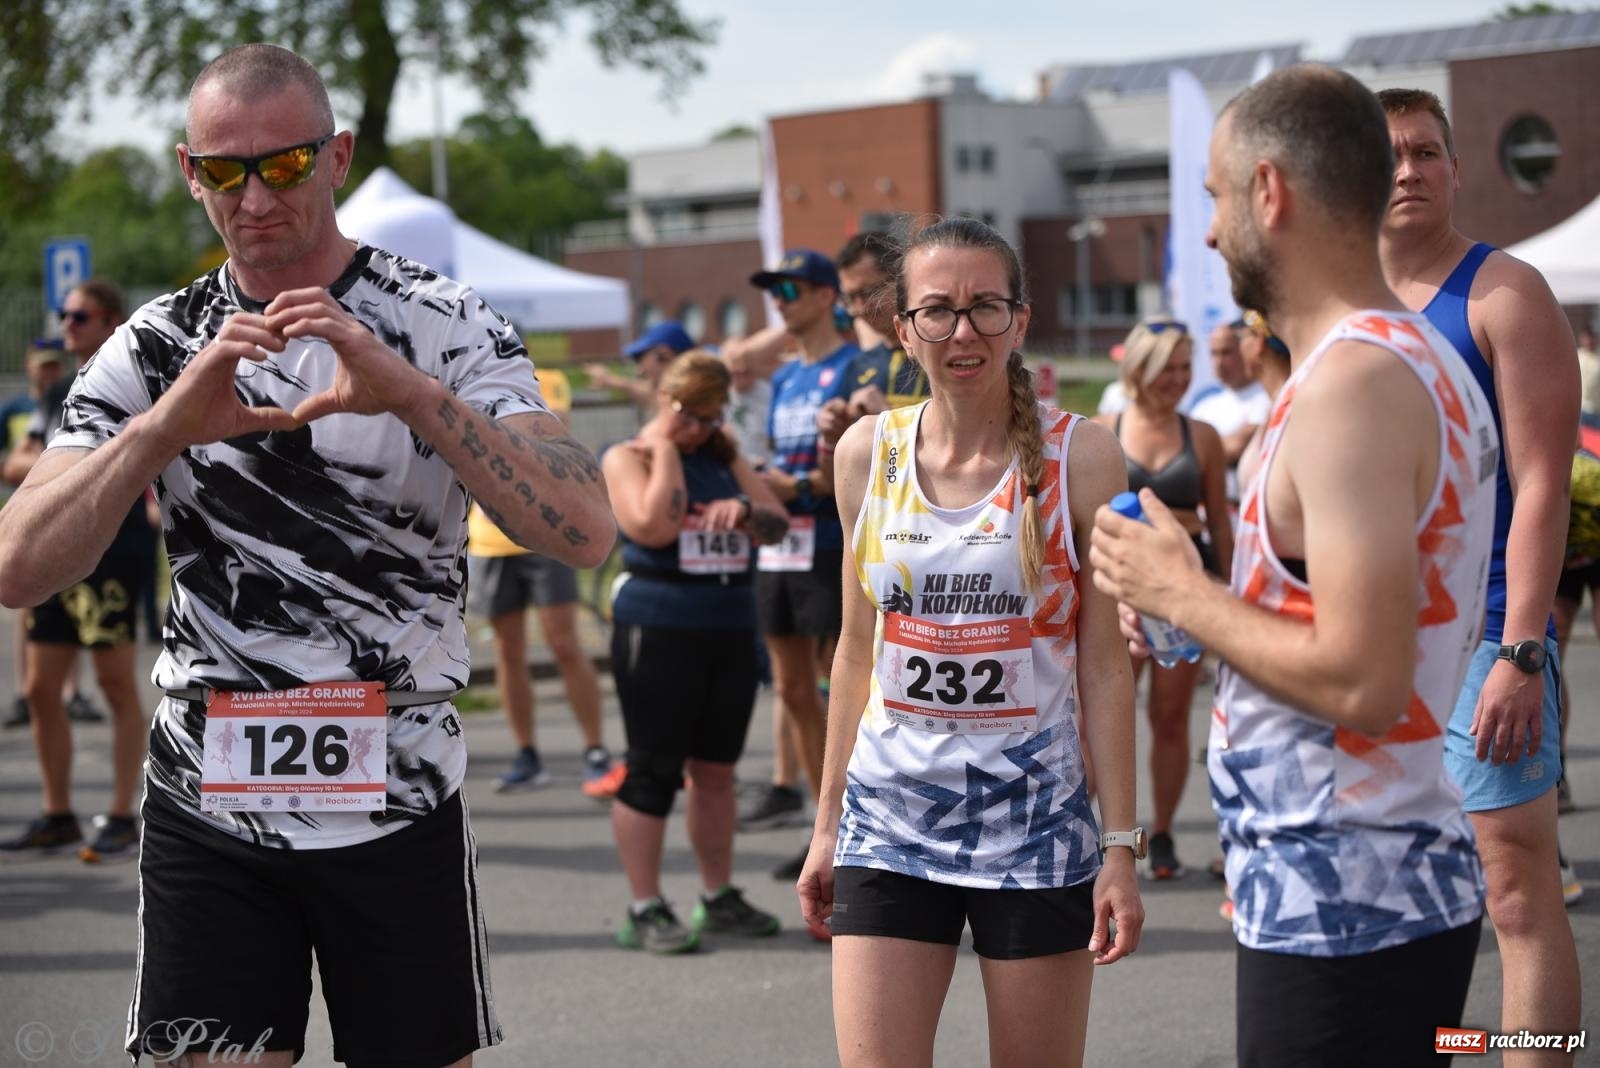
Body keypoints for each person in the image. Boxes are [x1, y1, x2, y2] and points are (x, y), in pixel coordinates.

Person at [0, 44, 613, 1067]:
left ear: (335, 157)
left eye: (282, 165)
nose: (253, 197)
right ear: (190, 173)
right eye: (223, 170)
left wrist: (412, 395)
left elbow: (585, 531)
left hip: (398, 785)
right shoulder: (155, 347)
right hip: (210, 790)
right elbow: (18, 567)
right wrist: (162, 430)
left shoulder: (443, 322)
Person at [1092, 66, 1498, 1065]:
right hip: (1358, 882)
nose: (1207, 233)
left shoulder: (1352, 383)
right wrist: (1199, 608)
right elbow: (1327, 615)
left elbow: (1363, 678)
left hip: (1348, 900)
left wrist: (1177, 589)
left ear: (1267, 192)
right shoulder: (1393, 357)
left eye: (1213, 200)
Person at [797, 217, 1141, 1067]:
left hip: (1036, 827)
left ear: (1021, 321)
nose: (964, 332)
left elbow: (1104, 665)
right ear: (902, 327)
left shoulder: (1082, 457)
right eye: (939, 311)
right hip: (890, 823)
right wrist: (826, 824)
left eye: (987, 307)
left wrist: (1124, 847)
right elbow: (853, 651)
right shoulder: (863, 456)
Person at [1377, 87, 1583, 1060]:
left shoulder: (1502, 292)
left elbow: (1541, 481)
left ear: (1456, 168)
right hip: (1368, 640)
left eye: (1424, 151)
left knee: (1512, 886)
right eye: (1388, 156)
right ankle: (1462, 1050)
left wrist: (1521, 648)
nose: (1407, 170)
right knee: (1399, 894)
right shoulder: (1337, 304)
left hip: (1484, 637)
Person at [601, 351, 792, 952]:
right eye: (693, 415)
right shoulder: (628, 456)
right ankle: (645, 905)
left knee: (716, 772)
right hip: (659, 622)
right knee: (653, 768)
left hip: (728, 622)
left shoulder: (721, 453)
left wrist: (748, 508)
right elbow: (653, 526)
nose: (703, 429)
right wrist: (663, 448)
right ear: (666, 401)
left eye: (713, 418)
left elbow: (778, 521)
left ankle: (717, 894)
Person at [0, 281, 158, 864]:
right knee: (41, 689)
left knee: (116, 684)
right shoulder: (63, 388)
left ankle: (122, 813)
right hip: (57, 552)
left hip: (116, 552)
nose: (67, 326)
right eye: (63, 316)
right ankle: (59, 812)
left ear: (111, 323)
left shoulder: (137, 376)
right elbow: (26, 458)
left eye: (79, 317)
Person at [1094, 316, 1232, 880]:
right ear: (1138, 369)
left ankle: (1167, 831)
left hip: (1181, 586)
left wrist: (1225, 592)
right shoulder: (1104, 428)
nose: (1177, 379)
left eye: (1184, 367)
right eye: (1166, 368)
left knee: (1171, 716)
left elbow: (1219, 523)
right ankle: (1102, 833)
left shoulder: (1201, 435)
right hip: (1117, 586)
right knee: (1100, 711)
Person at [747, 249, 859, 880]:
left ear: (825, 296)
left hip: (826, 541)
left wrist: (803, 486)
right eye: (774, 290)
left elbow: (849, 465)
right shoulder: (786, 378)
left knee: (839, 683)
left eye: (791, 288)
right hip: (778, 545)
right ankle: (826, 824)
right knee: (789, 688)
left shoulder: (851, 366)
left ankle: (855, 816)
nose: (781, 300)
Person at [467, 367, 621, 798]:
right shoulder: (461, 374)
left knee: (564, 643)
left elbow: (555, 431)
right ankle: (526, 753)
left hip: (543, 533)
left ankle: (595, 749)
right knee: (506, 649)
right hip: (489, 539)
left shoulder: (547, 378)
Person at [0, 341, 65, 731]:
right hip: (30, 513)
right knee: (28, 609)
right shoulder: (18, 409)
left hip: (67, 517)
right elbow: (11, 461)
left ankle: (73, 692)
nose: (48, 372)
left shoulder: (74, 393)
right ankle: (25, 690)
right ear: (29, 368)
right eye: (42, 365)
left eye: (53, 365)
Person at [1188, 321, 1269, 505]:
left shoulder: (1269, 399)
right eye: (1214, 353)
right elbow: (1192, 459)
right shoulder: (1204, 407)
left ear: (1245, 349)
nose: (1219, 362)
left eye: (1226, 352)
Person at [585, 320, 694, 414]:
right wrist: (612, 381)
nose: (639, 369)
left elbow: (658, 401)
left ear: (664, 354)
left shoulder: (694, 390)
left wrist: (614, 381)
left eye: (639, 358)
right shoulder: (691, 383)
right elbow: (650, 392)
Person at [1577, 327, 1598, 418]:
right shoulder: (1577, 355)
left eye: (1591, 338)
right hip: (1581, 409)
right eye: (1586, 338)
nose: (1589, 341)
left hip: (1597, 410)